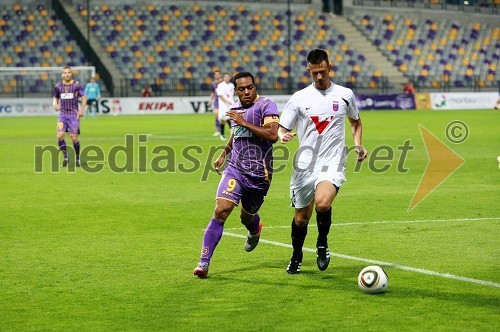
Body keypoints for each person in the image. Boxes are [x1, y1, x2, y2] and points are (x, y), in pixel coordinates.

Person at [278, 49, 368, 274]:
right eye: (314, 72)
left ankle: (322, 243)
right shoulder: (299, 98)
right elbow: (282, 128)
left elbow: (355, 122)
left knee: (323, 203)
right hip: (305, 165)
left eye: (322, 71)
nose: (319, 77)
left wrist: (358, 144)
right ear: (308, 70)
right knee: (300, 219)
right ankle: (297, 254)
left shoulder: (345, 94)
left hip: (332, 162)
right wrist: (282, 136)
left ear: (330, 68)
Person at [193, 71, 280, 278]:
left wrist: (243, 122)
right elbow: (236, 133)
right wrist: (224, 153)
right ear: (236, 90)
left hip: (260, 174)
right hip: (235, 169)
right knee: (221, 210)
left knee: (246, 216)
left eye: (250, 87)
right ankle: (203, 262)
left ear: (255, 86)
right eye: (242, 89)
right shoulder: (235, 109)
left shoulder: (266, 105)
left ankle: (254, 228)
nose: (247, 91)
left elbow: (272, 135)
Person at [53, 65, 87, 167]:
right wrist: (55, 104)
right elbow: (55, 97)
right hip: (62, 114)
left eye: (68, 72)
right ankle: (66, 157)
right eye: (65, 73)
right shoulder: (58, 86)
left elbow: (84, 97)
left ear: (71, 74)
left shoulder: (77, 85)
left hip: (73, 115)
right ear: (62, 74)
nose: (67, 74)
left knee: (74, 137)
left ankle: (77, 158)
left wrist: (81, 110)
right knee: (59, 136)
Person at [216, 73, 235, 140]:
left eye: (228, 77)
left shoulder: (232, 85)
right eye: (226, 77)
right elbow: (220, 96)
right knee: (223, 120)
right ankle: (222, 135)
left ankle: (232, 131)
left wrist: (232, 102)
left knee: (231, 118)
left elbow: (231, 95)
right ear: (223, 78)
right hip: (223, 105)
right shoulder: (220, 85)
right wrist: (227, 101)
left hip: (230, 104)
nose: (227, 78)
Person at [209, 70, 223, 136]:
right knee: (216, 116)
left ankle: (231, 129)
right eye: (215, 74)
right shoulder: (213, 84)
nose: (216, 76)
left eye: (218, 74)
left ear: (220, 75)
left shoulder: (223, 83)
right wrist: (210, 100)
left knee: (227, 117)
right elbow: (213, 92)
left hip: (223, 102)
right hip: (217, 101)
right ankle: (217, 131)